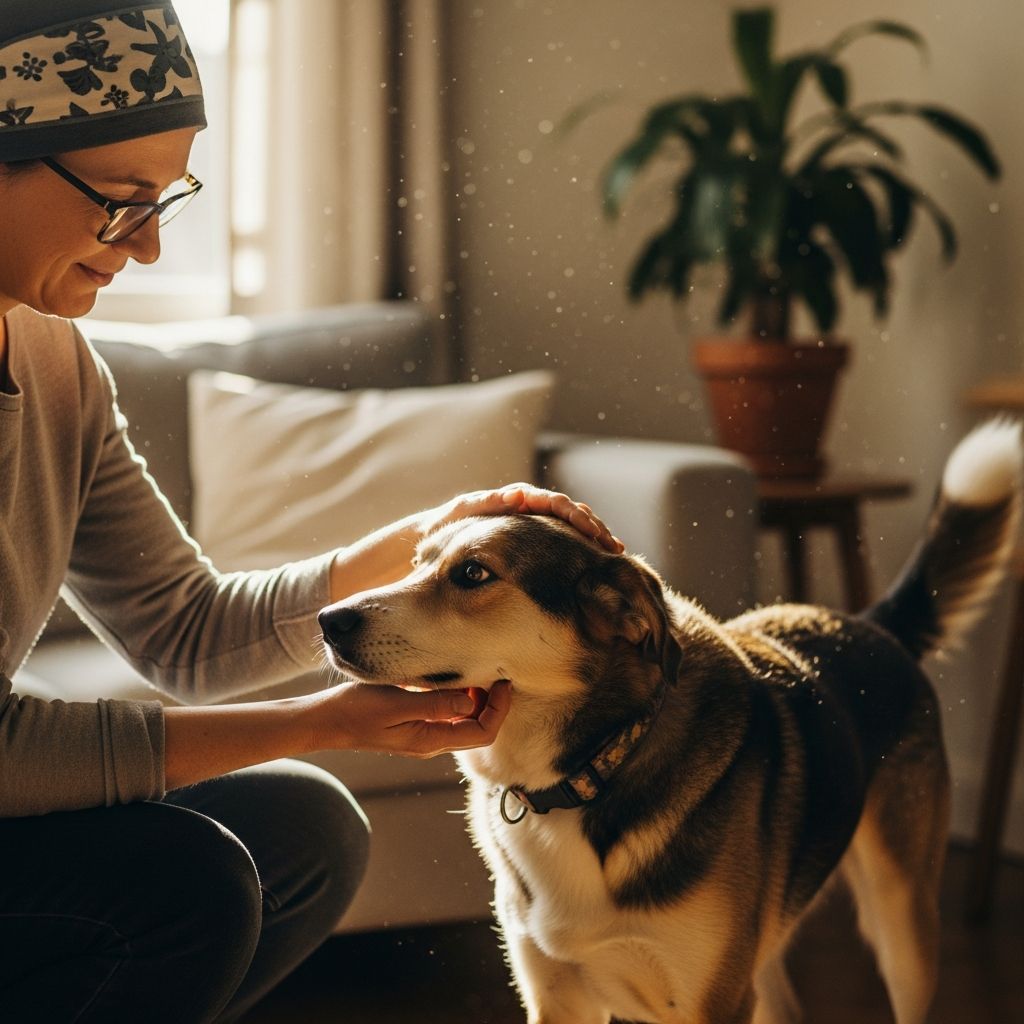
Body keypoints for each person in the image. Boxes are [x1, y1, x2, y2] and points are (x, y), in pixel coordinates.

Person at [0, 3, 622, 1021]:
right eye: (120, 203)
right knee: (188, 882)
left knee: (304, 833)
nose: (146, 248)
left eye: (166, 202)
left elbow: (184, 630)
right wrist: (322, 720)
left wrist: (421, 544)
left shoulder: (57, 360)